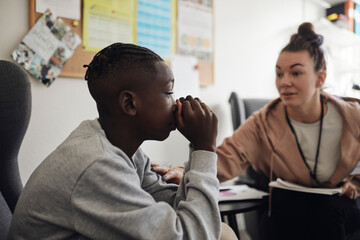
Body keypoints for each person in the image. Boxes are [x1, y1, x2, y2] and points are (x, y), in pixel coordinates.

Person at [152, 22, 360, 240]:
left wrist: (353, 185)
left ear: (320, 78)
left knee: (327, 212)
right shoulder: (265, 120)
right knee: (292, 211)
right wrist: (184, 171)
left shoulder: (351, 116)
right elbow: (228, 155)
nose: (284, 82)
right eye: (279, 74)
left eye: (296, 73)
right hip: (291, 205)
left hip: (340, 204)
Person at [8, 43, 237, 240]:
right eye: (168, 93)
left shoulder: (125, 153)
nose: (176, 103)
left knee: (222, 232)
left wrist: (199, 150)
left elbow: (175, 209)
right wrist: (205, 148)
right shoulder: (96, 165)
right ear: (129, 103)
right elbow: (193, 235)